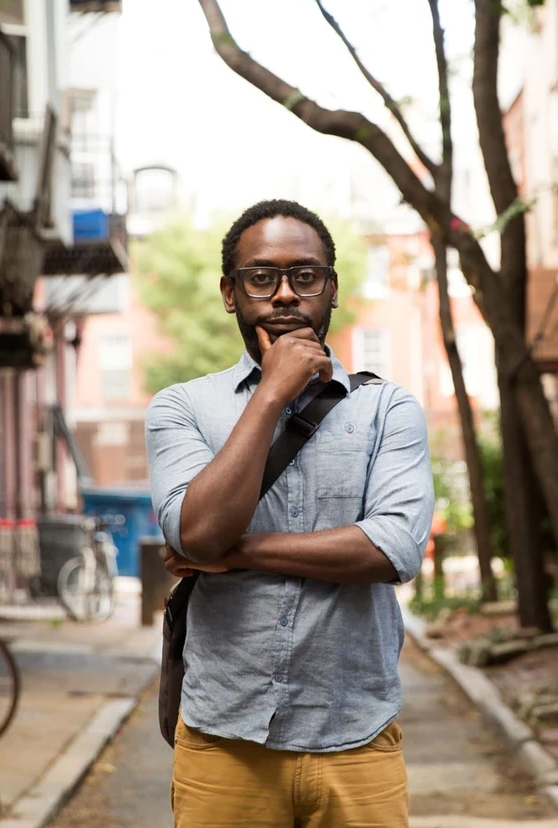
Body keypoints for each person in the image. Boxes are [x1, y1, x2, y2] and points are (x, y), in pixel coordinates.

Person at [146, 199, 435, 828]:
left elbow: (391, 551)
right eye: (261, 277)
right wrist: (273, 391)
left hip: (356, 737)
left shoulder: (389, 410)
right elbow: (197, 532)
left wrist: (239, 553)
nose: (284, 295)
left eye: (305, 277)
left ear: (330, 290)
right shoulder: (181, 408)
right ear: (231, 292)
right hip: (225, 739)